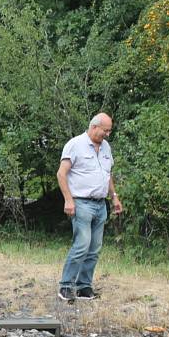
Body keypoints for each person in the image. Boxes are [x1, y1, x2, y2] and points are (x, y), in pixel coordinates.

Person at [56, 113, 123, 301]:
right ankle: (66, 286)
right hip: (81, 203)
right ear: (94, 127)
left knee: (94, 248)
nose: (108, 134)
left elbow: (107, 174)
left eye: (109, 131)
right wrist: (68, 200)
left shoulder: (106, 148)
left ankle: (84, 286)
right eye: (106, 130)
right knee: (82, 245)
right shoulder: (75, 145)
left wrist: (114, 197)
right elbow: (61, 174)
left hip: (100, 204)